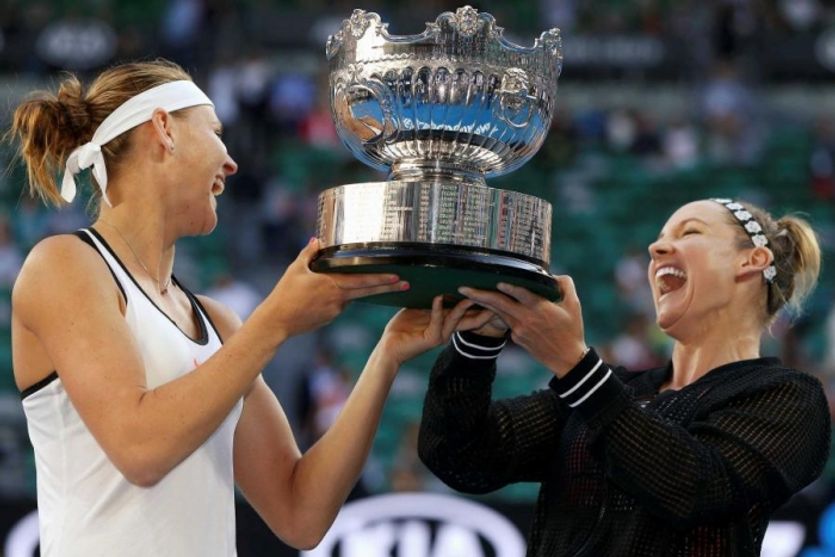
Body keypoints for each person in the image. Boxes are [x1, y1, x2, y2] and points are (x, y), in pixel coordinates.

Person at [7, 59, 484, 556]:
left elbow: (300, 514)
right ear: (163, 129)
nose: (230, 162)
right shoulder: (63, 264)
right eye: (216, 132)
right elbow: (140, 449)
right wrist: (275, 321)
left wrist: (386, 356)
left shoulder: (217, 322)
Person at [418, 198, 831, 556]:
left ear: (753, 260)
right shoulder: (613, 389)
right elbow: (462, 457)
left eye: (690, 232)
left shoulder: (790, 397)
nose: (656, 248)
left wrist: (576, 366)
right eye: (659, 239)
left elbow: (694, 488)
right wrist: (478, 343)